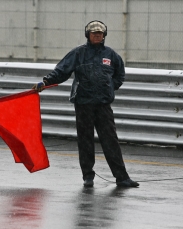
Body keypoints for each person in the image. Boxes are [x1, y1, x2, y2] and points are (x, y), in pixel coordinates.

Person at [32, 20, 139, 188]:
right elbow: (62, 71)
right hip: (83, 104)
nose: (97, 36)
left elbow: (120, 74)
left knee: (110, 140)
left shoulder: (111, 55)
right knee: (85, 141)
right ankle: (88, 176)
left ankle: (122, 178)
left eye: (100, 34)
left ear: (104, 36)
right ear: (88, 35)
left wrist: (110, 87)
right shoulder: (78, 53)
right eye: (94, 33)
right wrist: (45, 81)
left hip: (103, 105)